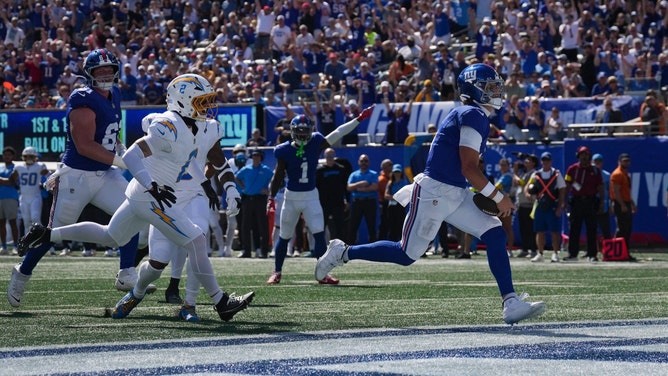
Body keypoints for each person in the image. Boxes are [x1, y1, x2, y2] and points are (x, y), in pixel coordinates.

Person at [316, 64, 546, 325]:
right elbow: (469, 167)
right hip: (433, 193)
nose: (497, 91)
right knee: (406, 255)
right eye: (491, 86)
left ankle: (511, 302)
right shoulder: (473, 114)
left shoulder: (475, 115)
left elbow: (465, 169)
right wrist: (498, 196)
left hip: (455, 193)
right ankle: (343, 252)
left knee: (495, 233)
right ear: (475, 89)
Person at [18, 74, 254, 321]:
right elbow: (131, 156)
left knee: (111, 235)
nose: (206, 107)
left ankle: (46, 234)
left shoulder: (201, 127)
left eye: (207, 101)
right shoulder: (168, 124)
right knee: (196, 241)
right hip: (152, 196)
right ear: (183, 101)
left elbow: (204, 158)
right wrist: (152, 186)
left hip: (143, 194)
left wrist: (220, 187)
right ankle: (221, 302)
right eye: (201, 101)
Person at [8, 49, 144, 308]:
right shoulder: (82, 99)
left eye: (109, 70)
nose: (105, 74)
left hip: (105, 174)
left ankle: (126, 272)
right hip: (76, 176)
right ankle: (22, 272)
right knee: (54, 233)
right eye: (99, 70)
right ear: (89, 74)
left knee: (134, 209)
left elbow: (110, 132)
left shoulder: (114, 94)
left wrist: (121, 149)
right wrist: (121, 161)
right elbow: (84, 146)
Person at [266, 107, 373, 284]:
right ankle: (277, 271)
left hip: (310, 197)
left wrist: (359, 119)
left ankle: (323, 273)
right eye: (299, 131)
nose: (302, 135)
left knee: (318, 234)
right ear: (292, 132)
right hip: (291, 197)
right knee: (284, 236)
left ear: (311, 131)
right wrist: (271, 197)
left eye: (305, 131)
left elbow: (338, 132)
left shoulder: (316, 142)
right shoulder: (284, 150)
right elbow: (278, 176)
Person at [564, 146, 604, 262]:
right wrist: (564, 201)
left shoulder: (595, 170)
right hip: (577, 201)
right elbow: (567, 186)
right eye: (582, 154)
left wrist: (602, 201)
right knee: (574, 229)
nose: (584, 157)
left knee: (592, 229)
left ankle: (592, 254)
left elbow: (600, 187)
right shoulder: (572, 169)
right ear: (578, 156)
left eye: (586, 154)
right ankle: (572, 254)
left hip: (590, 201)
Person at [525, 152, 566, 263]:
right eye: (543, 160)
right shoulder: (536, 174)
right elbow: (528, 186)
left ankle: (555, 253)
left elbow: (562, 190)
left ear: (551, 161)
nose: (545, 162)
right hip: (540, 205)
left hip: (552, 205)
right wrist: (528, 194)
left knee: (554, 231)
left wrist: (560, 207)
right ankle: (540, 253)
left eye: (547, 160)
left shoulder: (556, 174)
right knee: (539, 231)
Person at [235, 148, 273, 259]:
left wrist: (269, 190)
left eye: (258, 156)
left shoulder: (265, 169)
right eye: (254, 156)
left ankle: (263, 251)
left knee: (262, 225)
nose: (256, 158)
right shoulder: (246, 169)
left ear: (261, 158)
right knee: (245, 225)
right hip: (247, 199)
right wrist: (243, 187)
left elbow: (276, 179)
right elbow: (237, 177)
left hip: (260, 199)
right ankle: (246, 250)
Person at [14, 147, 49, 237]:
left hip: (35, 196)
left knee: (35, 219)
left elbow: (48, 174)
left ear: (35, 157)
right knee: (26, 221)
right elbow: (12, 178)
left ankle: (41, 240)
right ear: (23, 157)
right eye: (27, 156)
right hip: (23, 197)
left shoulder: (40, 166)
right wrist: (16, 185)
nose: (29, 158)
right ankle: (28, 243)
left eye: (31, 156)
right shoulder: (19, 167)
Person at [316, 148, 349, 242]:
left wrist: (347, 200)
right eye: (328, 156)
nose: (330, 158)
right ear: (324, 157)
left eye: (331, 156)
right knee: (321, 226)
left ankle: (341, 247)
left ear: (334, 156)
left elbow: (345, 186)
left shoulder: (341, 169)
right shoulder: (319, 170)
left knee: (340, 226)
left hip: (338, 202)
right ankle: (321, 248)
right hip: (323, 203)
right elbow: (315, 187)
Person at [610, 153, 637, 261]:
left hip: (626, 202)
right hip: (620, 203)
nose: (627, 163)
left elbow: (626, 192)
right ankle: (615, 252)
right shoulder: (617, 174)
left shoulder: (625, 174)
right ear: (619, 161)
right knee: (621, 229)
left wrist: (632, 203)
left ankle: (624, 252)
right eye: (624, 161)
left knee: (627, 229)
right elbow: (616, 192)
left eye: (628, 161)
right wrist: (622, 205)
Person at [347, 154, 379, 245]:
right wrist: (362, 183)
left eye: (366, 161)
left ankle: (373, 247)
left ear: (368, 162)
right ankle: (349, 247)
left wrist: (360, 189)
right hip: (357, 202)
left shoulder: (373, 174)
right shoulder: (354, 174)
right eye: (362, 161)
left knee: (371, 226)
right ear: (358, 162)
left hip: (369, 202)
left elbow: (374, 187)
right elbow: (349, 187)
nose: (364, 163)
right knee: (353, 226)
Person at [0, 146, 19, 255]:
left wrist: (2, 180)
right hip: (0, 198)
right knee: (1, 223)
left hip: (11, 197)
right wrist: (7, 180)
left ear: (12, 156)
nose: (7, 156)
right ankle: (4, 246)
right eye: (5, 154)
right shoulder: (0, 167)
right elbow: (10, 180)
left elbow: (13, 181)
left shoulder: (16, 167)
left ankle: (16, 246)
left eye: (9, 154)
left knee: (12, 222)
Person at [385, 164, 409, 241]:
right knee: (392, 227)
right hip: (391, 208)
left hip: (400, 207)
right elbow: (386, 195)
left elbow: (406, 195)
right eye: (395, 172)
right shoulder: (390, 183)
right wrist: (396, 197)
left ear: (401, 173)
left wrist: (393, 197)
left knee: (401, 226)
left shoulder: (404, 182)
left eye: (398, 172)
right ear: (393, 173)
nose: (397, 173)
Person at [592, 154, 612, 240]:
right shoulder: (589, 175)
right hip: (591, 205)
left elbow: (611, 192)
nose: (597, 163)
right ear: (592, 162)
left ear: (602, 163)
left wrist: (611, 205)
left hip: (604, 206)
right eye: (595, 161)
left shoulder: (607, 175)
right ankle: (593, 250)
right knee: (592, 229)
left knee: (605, 229)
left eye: (599, 161)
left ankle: (608, 250)